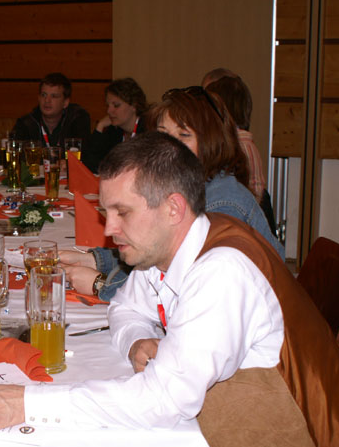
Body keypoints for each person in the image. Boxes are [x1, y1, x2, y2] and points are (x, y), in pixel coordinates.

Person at [0, 132, 339, 447]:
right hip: (260, 446)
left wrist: (25, 404)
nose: (109, 229)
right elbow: (126, 309)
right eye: (107, 212)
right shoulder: (172, 244)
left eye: (122, 212)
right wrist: (137, 341)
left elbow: (164, 401)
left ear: (173, 208)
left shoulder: (222, 270)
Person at [61, 86, 284, 301]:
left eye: (183, 135)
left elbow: (181, 288)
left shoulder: (222, 206)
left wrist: (100, 284)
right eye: (163, 134)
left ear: (212, 143)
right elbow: (155, 252)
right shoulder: (185, 185)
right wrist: (93, 260)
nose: (168, 146)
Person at [82, 77, 148, 173]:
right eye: (108, 105)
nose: (109, 111)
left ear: (134, 105)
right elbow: (89, 164)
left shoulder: (148, 131)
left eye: (116, 105)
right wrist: (99, 126)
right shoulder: (114, 131)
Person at [11, 72, 91, 150]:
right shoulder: (26, 124)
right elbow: (14, 151)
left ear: (65, 102)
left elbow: (85, 154)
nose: (47, 100)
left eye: (54, 96)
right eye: (44, 95)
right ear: (38, 98)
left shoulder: (77, 120)